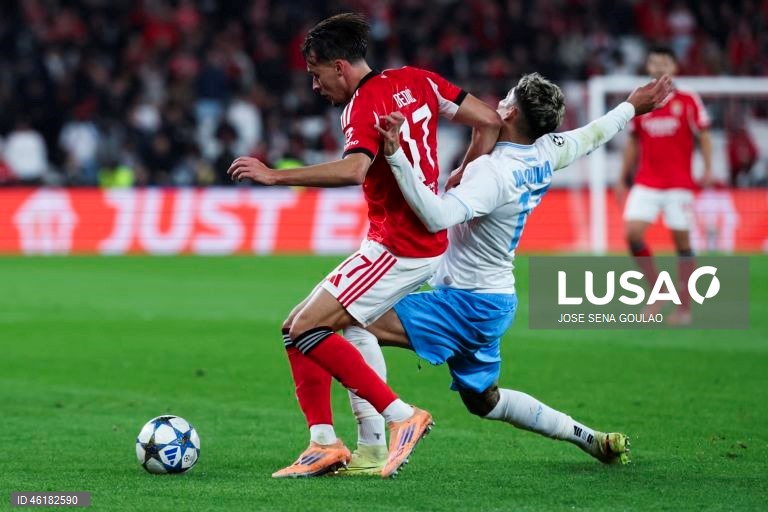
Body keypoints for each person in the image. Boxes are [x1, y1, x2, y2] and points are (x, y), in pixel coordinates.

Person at [337, 72, 673, 473]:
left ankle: (376, 443)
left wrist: (395, 156)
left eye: (505, 99)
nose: (496, 103)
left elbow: (437, 217)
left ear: (511, 112)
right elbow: (594, 134)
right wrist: (631, 106)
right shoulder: (547, 150)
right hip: (494, 302)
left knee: (355, 319)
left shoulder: (493, 173)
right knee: (484, 402)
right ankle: (591, 438)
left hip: (466, 303)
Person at [227, 13, 502, 478]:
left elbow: (355, 169)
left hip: (398, 245)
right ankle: (343, 445)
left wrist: (275, 176)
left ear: (339, 67)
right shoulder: (418, 79)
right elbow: (490, 121)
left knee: (306, 329)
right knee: (312, 329)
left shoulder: (362, 105)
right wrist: (461, 175)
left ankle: (401, 416)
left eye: (316, 74)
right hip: (415, 238)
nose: (315, 85)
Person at [615, 46, 713, 325]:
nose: (659, 66)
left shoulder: (688, 99)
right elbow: (633, 140)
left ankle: (684, 308)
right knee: (632, 234)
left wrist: (707, 168)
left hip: (679, 183)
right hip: (647, 181)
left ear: (674, 67)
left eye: (664, 62)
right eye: (654, 61)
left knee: (682, 242)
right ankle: (658, 291)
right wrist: (622, 177)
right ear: (648, 67)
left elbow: (704, 135)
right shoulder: (642, 100)